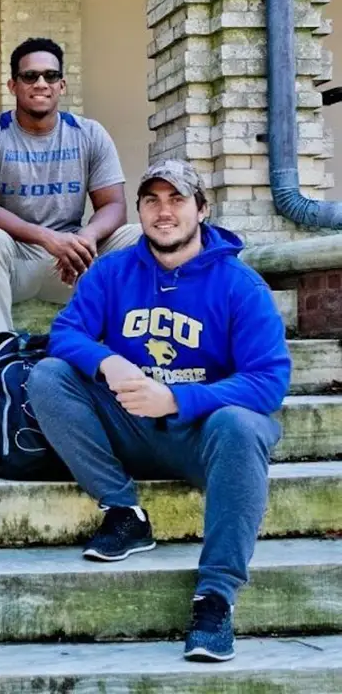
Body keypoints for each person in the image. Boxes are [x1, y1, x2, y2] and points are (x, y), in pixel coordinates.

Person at [29, 159, 291, 663]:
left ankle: (215, 598)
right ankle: (124, 512)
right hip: (130, 428)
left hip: (202, 441)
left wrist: (177, 398)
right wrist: (108, 362)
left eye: (176, 199)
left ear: (202, 209)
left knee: (242, 423)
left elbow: (268, 381)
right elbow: (65, 333)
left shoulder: (240, 285)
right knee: (48, 376)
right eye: (152, 200)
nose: (163, 211)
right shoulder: (113, 271)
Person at [0, 36, 141, 338]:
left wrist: (85, 239)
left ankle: (132, 347)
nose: (41, 83)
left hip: (75, 262)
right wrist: (49, 239)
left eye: (50, 76)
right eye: (30, 76)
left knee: (140, 236)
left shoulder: (89, 133)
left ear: (62, 86)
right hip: (17, 260)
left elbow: (114, 205)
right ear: (13, 86)